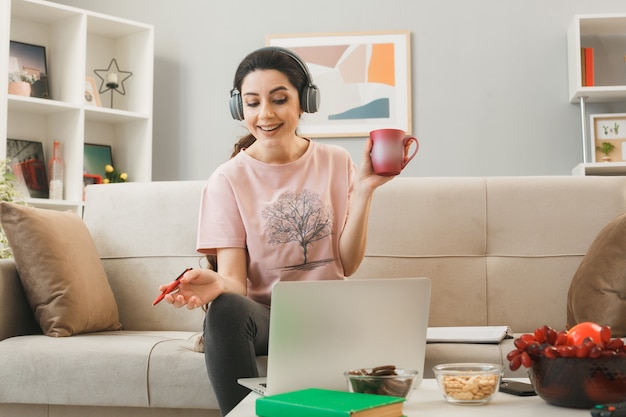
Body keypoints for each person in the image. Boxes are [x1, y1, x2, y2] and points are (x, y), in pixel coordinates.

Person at [159, 46, 408, 415]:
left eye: (279, 99)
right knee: (224, 309)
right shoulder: (227, 179)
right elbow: (235, 284)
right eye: (253, 102)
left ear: (304, 101)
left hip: (330, 315)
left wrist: (367, 190)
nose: (265, 114)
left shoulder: (336, 162)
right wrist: (214, 286)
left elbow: (348, 264)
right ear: (238, 108)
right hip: (267, 322)